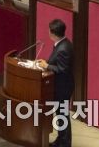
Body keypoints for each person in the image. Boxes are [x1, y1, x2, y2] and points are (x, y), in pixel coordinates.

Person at [36, 19, 74, 147]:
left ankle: (64, 143)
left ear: (53, 33)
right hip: (61, 86)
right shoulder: (63, 43)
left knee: (63, 115)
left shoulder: (63, 48)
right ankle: (61, 140)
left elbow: (62, 69)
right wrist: (47, 63)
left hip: (62, 88)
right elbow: (57, 63)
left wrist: (47, 65)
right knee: (61, 115)